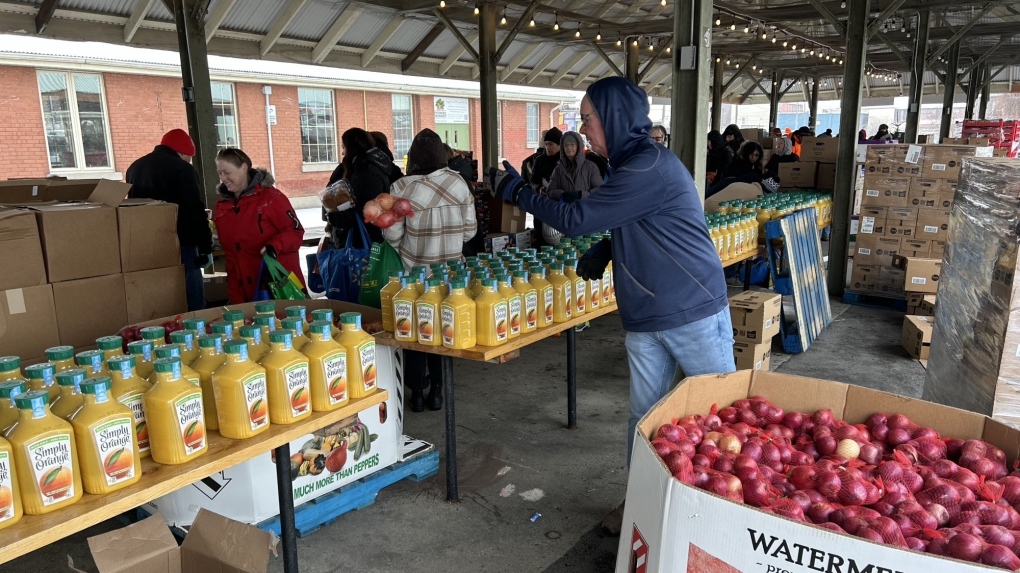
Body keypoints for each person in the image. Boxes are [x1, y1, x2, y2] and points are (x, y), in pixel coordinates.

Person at [488, 76, 734, 535]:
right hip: (645, 316)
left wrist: (519, 191)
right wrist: (610, 248)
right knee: (644, 421)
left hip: (691, 311)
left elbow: (576, 218)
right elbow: (636, 220)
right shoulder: (629, 166)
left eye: (586, 118)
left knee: (717, 417)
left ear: (614, 118)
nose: (581, 128)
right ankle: (639, 501)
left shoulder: (649, 166)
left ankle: (720, 514)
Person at [384, 129, 476, 412]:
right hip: (451, 274)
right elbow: (470, 232)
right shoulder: (459, 183)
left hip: (415, 275)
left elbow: (391, 236)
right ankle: (438, 388)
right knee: (443, 329)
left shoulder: (401, 189)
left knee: (415, 331)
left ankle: (418, 393)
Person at [126, 129, 213, 311]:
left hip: (147, 245)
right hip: (182, 244)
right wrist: (205, 247)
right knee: (192, 299)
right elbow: (194, 210)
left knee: (160, 299)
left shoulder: (134, 167)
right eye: (189, 157)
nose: (190, 161)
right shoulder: (182, 169)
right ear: (182, 152)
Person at [213, 148, 305, 304]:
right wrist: (235, 296)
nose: (223, 178)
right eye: (220, 173)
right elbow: (231, 256)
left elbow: (295, 231)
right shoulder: (222, 205)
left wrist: (274, 246)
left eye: (227, 172)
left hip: (276, 285)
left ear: (244, 168)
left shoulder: (271, 198)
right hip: (243, 289)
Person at [326, 128, 396, 246]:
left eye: (344, 147)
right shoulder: (373, 166)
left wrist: (335, 217)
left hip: (366, 240)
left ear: (352, 147)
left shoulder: (366, 172)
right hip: (372, 235)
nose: (343, 152)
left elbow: (364, 211)